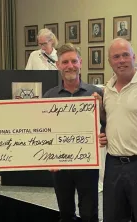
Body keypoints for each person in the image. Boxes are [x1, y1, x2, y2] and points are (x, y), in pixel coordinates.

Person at [99, 38, 137, 222]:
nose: (121, 60)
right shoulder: (107, 89)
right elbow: (111, 119)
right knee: (112, 217)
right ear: (110, 62)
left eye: (125, 55)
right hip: (113, 165)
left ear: (133, 57)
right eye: (116, 57)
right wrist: (104, 132)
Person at [43, 43, 104, 222]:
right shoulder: (49, 96)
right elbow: (44, 131)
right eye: (65, 62)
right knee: (66, 212)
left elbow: (108, 123)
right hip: (60, 166)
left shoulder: (96, 93)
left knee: (89, 212)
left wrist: (104, 130)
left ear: (80, 63)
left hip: (87, 164)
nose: (70, 66)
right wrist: (48, 157)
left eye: (74, 61)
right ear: (58, 65)